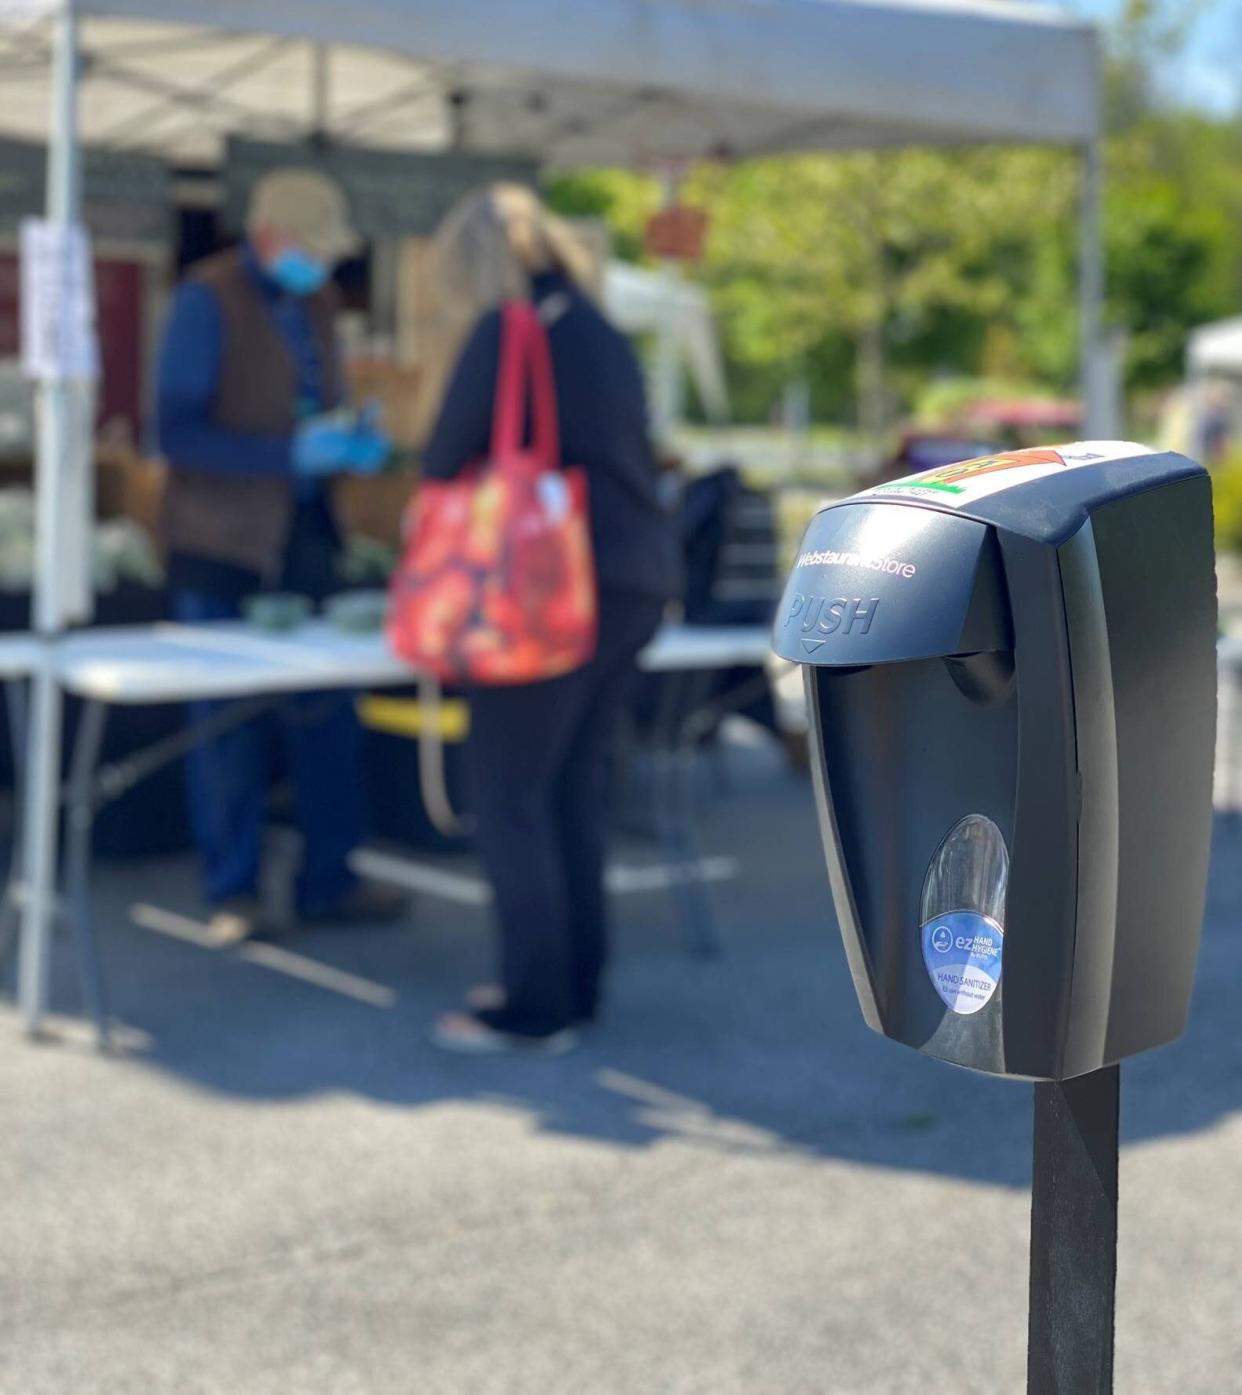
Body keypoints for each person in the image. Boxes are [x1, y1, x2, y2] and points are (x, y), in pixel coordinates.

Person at [423, 185, 680, 1055]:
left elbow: (443, 452)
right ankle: (574, 989)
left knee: (507, 795)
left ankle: (531, 1006)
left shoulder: (511, 331)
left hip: (545, 590)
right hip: (634, 580)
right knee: (571, 788)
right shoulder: (599, 328)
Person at [156, 167, 405, 940]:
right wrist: (286, 451)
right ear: (270, 237)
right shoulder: (206, 300)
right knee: (226, 728)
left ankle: (330, 877)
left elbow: (312, 403)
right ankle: (233, 891)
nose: (323, 267)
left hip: (304, 537)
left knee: (330, 714)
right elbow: (177, 434)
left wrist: (348, 440)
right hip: (220, 543)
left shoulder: (317, 303)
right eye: (313, 250)